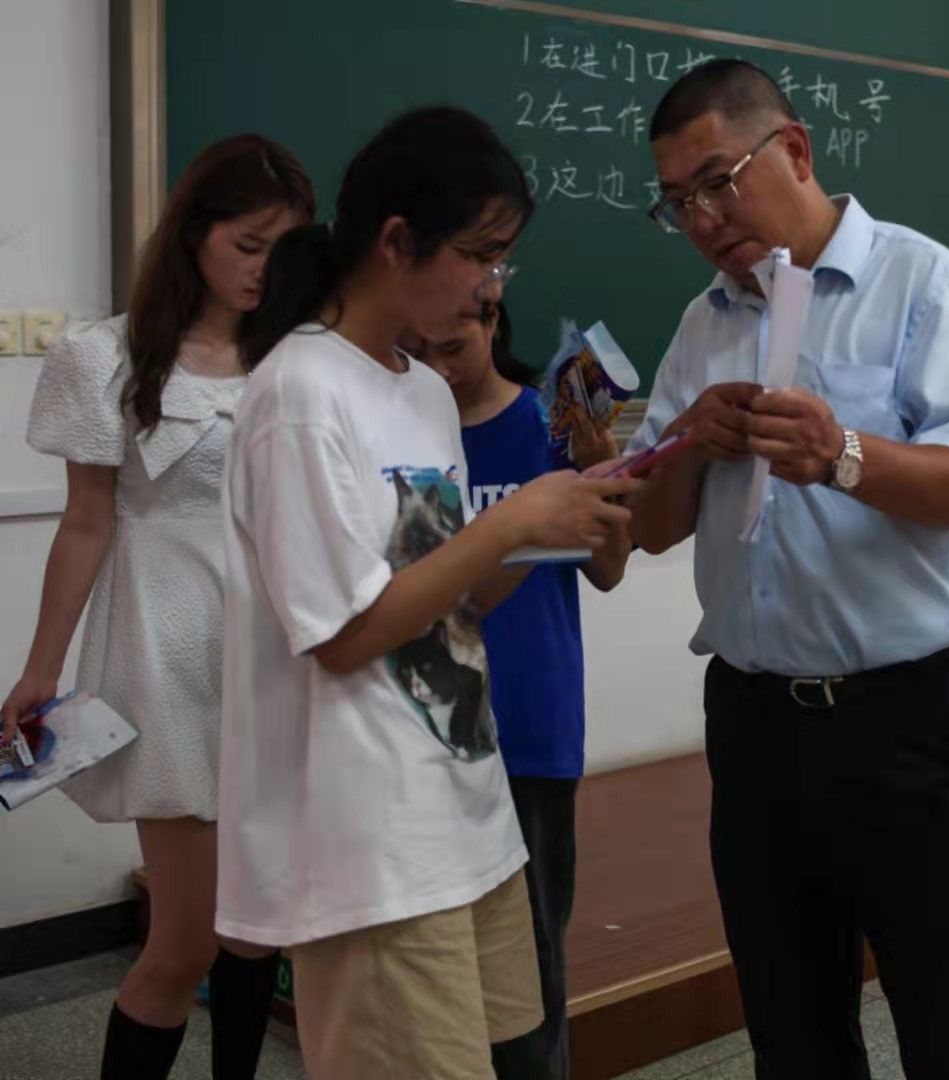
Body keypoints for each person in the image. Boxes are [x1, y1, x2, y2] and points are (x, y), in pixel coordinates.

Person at [628, 59, 949, 1078]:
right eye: (679, 202)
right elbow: (650, 530)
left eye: (720, 181)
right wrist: (687, 441)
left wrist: (844, 454)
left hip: (909, 720)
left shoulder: (923, 283)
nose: (705, 219)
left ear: (795, 151)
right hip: (756, 723)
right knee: (792, 1024)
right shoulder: (701, 322)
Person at [220, 106, 638, 1080]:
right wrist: (510, 525)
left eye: (504, 263)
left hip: (460, 809)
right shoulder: (298, 394)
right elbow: (343, 634)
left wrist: (550, 525)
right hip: (369, 844)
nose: (490, 288)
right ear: (395, 241)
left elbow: (436, 608)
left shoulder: (416, 390)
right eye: (478, 255)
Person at [0, 134, 314, 1080]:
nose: (267, 270)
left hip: (281, 653)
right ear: (193, 236)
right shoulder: (105, 353)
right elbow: (87, 524)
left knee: (261, 931)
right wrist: (40, 671)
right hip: (165, 649)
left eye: (283, 249)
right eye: (248, 245)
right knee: (185, 942)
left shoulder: (300, 356)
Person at [406, 301, 631, 1079]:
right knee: (437, 958)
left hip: (531, 724)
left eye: (453, 343)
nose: (438, 363)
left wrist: (596, 472)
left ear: (491, 320)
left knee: (534, 961)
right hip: (427, 726)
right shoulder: (404, 432)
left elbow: (608, 570)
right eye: (420, 347)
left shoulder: (550, 423)